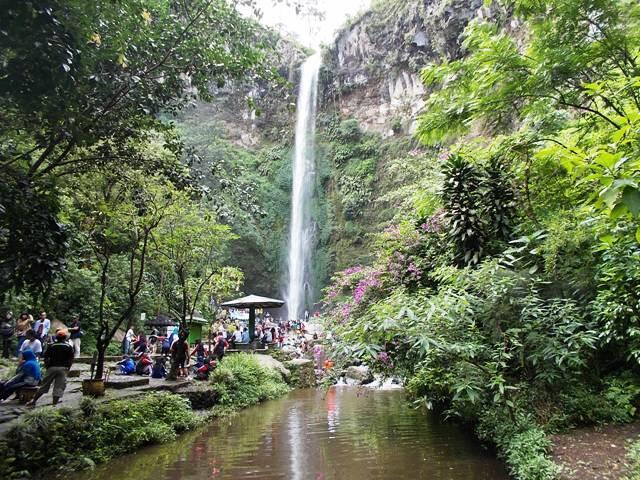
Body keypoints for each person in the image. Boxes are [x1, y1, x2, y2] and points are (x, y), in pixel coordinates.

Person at [27, 329, 74, 406]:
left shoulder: (51, 346)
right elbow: (71, 359)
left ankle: (34, 401)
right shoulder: (69, 347)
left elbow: (46, 357)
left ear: (56, 337)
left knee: (44, 385)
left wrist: (47, 366)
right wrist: (68, 367)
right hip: (63, 368)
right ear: (65, 338)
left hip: (51, 367)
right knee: (59, 386)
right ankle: (54, 405)